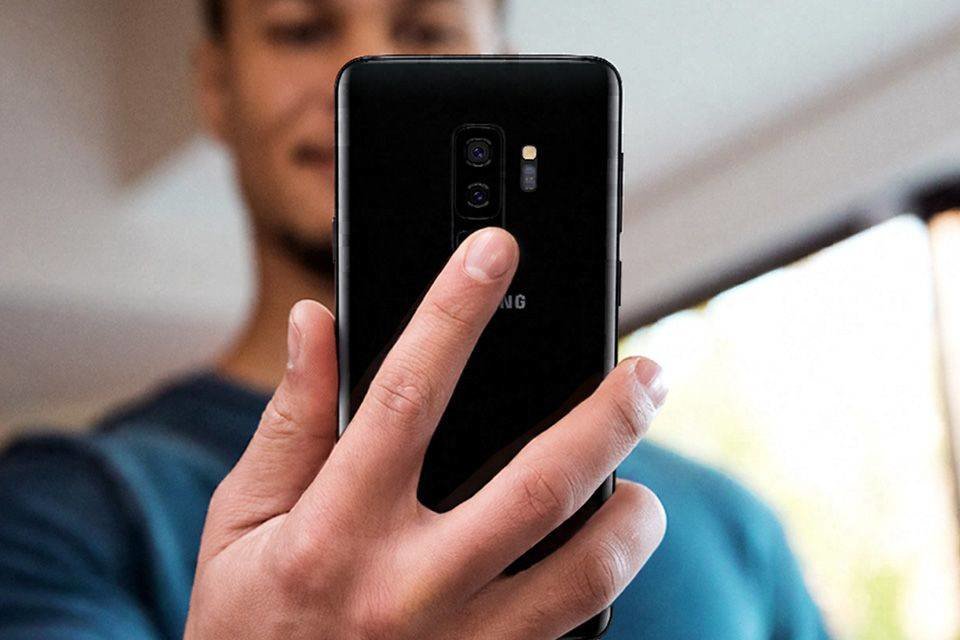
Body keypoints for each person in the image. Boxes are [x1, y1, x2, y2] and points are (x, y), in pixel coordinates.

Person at [0, 1, 829, 638]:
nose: (360, 65)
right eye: (300, 30)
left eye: (427, 28)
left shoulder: (734, 526)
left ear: (503, 68)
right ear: (217, 88)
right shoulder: (63, 512)